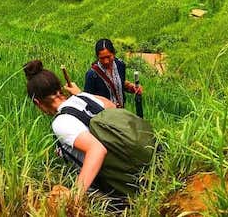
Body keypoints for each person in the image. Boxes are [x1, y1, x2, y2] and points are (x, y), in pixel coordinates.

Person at [24, 60, 155, 199]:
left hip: (118, 181)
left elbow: (97, 150)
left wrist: (75, 196)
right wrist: (80, 94)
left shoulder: (60, 122)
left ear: (37, 102)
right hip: (136, 161)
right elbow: (112, 108)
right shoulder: (84, 97)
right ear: (60, 88)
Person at [84, 39, 142, 108]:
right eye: (102, 58)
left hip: (121, 112)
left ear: (113, 53)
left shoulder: (120, 65)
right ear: (97, 57)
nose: (106, 61)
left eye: (108, 57)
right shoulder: (92, 74)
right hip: (103, 115)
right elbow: (87, 100)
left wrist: (131, 87)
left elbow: (120, 83)